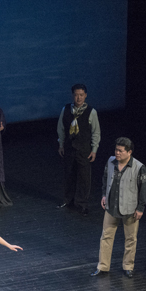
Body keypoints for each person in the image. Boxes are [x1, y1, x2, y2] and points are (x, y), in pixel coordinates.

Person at [91, 137, 146, 278]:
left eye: (120, 151)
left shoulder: (139, 167)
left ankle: (128, 266)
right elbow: (105, 178)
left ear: (129, 152)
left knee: (130, 239)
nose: (117, 153)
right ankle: (103, 266)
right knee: (106, 236)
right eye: (116, 150)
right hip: (111, 207)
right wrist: (104, 195)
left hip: (130, 209)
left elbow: (144, 189)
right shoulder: (111, 162)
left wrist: (140, 208)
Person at [56, 84, 100, 216]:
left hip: (84, 149)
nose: (78, 98)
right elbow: (61, 128)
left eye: (81, 95)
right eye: (76, 95)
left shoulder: (91, 112)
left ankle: (82, 204)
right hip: (69, 148)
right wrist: (61, 144)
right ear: (72, 95)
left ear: (85, 95)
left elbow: (96, 132)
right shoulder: (66, 109)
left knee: (84, 177)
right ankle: (68, 200)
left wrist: (94, 149)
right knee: (69, 174)